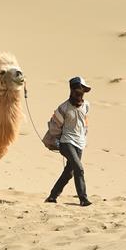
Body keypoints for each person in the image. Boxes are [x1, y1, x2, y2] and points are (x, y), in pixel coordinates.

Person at [45, 77, 92, 206]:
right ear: (72, 91)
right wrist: (57, 142)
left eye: (81, 91)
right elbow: (54, 127)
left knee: (69, 172)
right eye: (77, 91)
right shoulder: (63, 108)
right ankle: (83, 199)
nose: (79, 94)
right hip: (66, 142)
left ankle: (52, 196)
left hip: (80, 143)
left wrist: (84, 136)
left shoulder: (86, 105)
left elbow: (84, 124)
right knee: (79, 169)